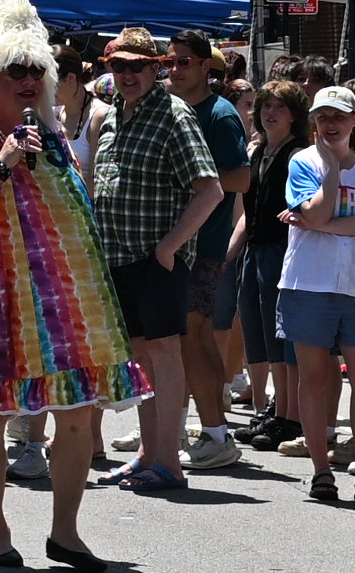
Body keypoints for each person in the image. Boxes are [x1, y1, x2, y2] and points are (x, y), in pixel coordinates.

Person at [0, 0, 142, 571]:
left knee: (78, 414)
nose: (28, 80)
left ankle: (65, 533)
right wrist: (2, 162)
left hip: (63, 306)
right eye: (14, 70)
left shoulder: (56, 140)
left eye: (36, 70)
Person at [84, 29, 232, 497]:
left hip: (156, 260)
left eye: (137, 66)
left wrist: (170, 247)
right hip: (118, 257)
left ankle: (169, 460)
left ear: (156, 68)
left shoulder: (174, 114)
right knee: (141, 358)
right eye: (119, 66)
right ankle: (150, 455)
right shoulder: (112, 116)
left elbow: (211, 190)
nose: (127, 74)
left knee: (164, 354)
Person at [275, 87, 355, 504]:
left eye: (339, 116)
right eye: (323, 116)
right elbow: (319, 210)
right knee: (315, 378)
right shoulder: (303, 161)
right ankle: (321, 471)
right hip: (309, 283)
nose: (330, 124)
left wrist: (316, 223)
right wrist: (330, 172)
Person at [167, 32, 254, 472]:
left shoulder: (220, 114)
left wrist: (188, 175)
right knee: (180, 341)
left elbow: (240, 179)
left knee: (194, 338)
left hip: (203, 246)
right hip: (173, 243)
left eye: (184, 62)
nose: (175, 69)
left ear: (206, 66)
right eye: (170, 62)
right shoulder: (171, 108)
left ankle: (217, 435)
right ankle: (176, 431)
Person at [233, 79, 305, 449]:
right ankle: (269, 409)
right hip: (255, 248)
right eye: (265, 106)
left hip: (283, 248)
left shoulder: (298, 153)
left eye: (280, 106)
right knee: (255, 325)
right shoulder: (259, 151)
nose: (270, 113)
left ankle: (287, 415)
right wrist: (231, 252)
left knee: (279, 332)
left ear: (294, 115)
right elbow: (249, 211)